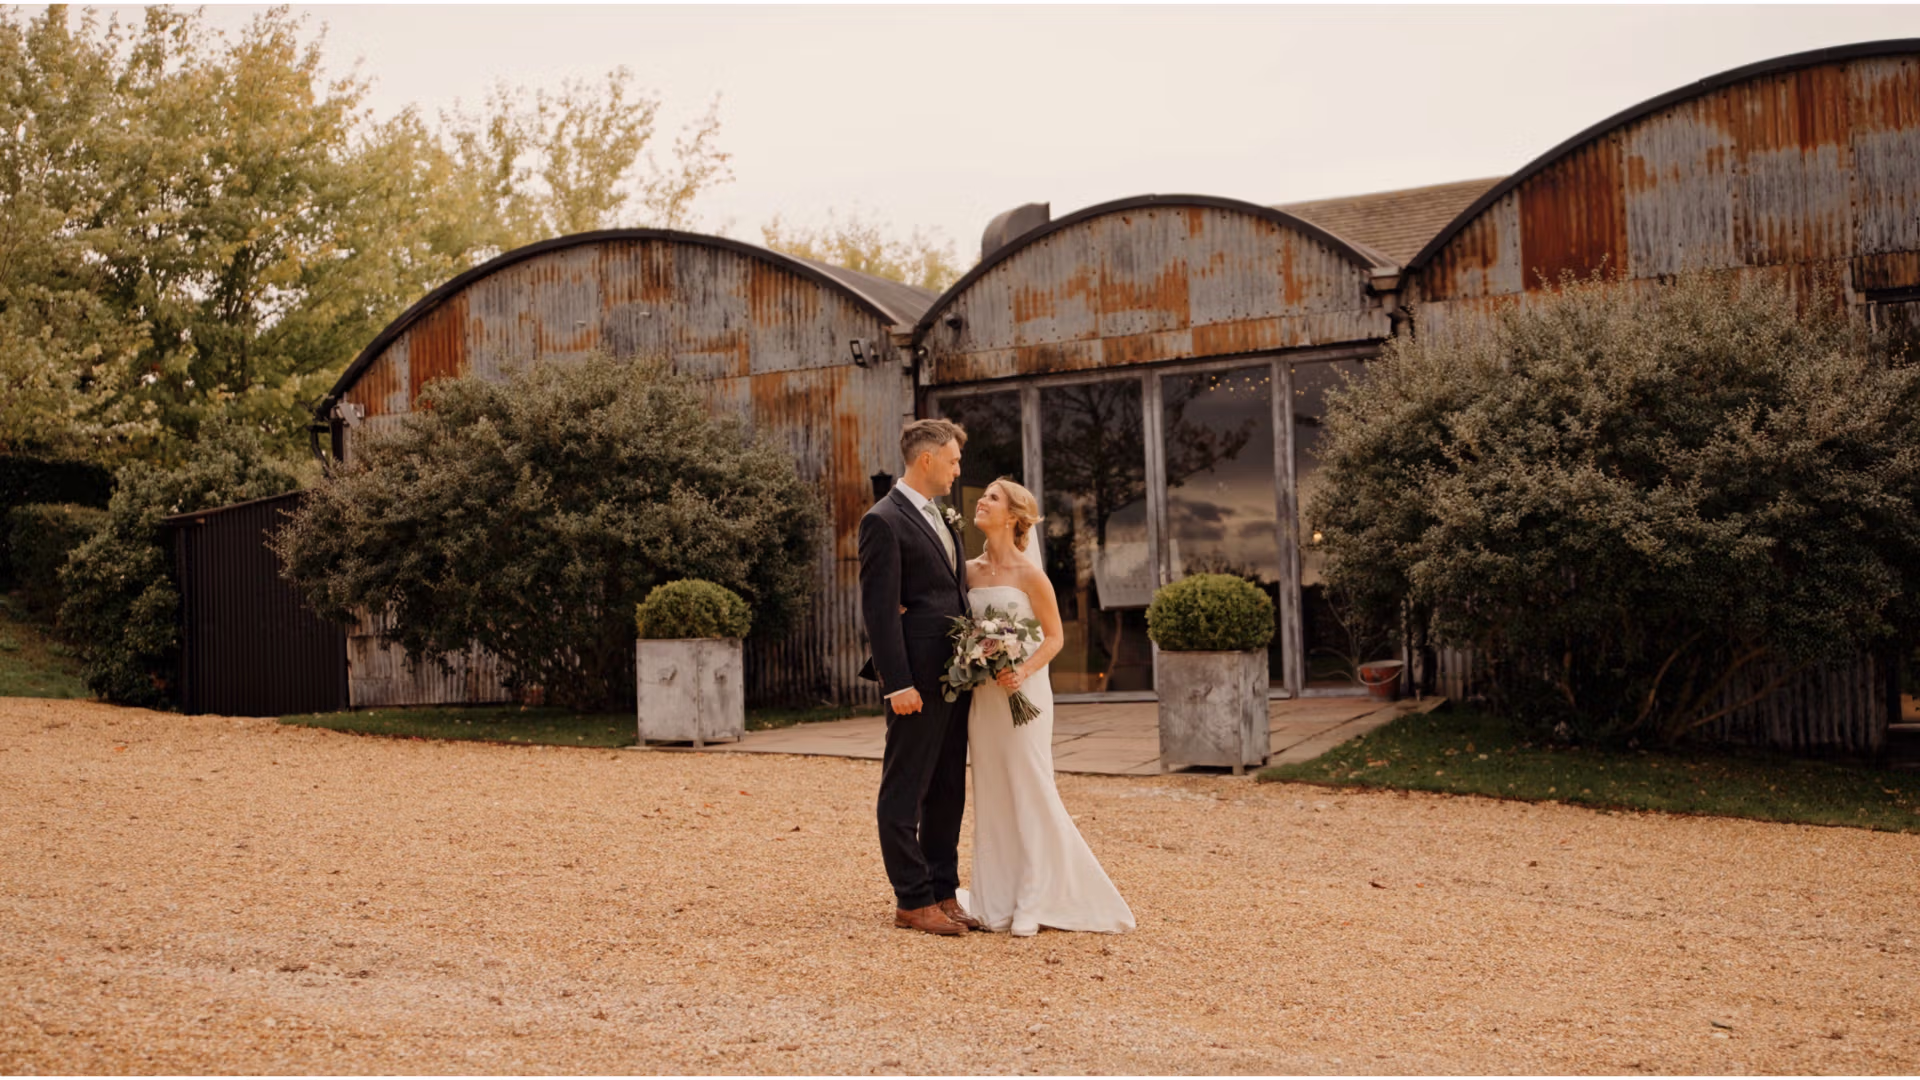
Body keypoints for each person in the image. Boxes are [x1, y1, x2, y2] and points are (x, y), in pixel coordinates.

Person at [957, 478, 1134, 936]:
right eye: (984, 496)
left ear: (1014, 515)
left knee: (1031, 787)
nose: (981, 501)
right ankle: (995, 896)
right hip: (985, 698)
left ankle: (1035, 897)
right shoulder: (968, 571)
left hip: (1024, 694)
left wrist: (1023, 669)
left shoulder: (1031, 575)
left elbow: (1054, 637)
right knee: (993, 788)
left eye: (992, 497)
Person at [856, 418, 982, 935]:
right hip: (915, 680)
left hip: (954, 675)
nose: (957, 470)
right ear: (926, 458)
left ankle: (943, 890)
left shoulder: (941, 517)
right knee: (905, 787)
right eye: (953, 460)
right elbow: (880, 611)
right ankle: (911, 899)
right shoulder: (882, 520)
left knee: (948, 786)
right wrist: (896, 681)